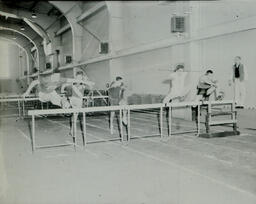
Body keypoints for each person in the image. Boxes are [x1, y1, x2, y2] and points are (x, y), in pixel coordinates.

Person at [22, 69, 94, 108]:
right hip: (42, 93)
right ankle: (60, 102)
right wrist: (27, 92)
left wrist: (87, 83)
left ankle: (65, 105)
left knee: (65, 104)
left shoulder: (61, 79)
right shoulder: (47, 79)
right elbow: (34, 82)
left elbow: (74, 80)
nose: (56, 81)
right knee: (50, 96)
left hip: (52, 92)